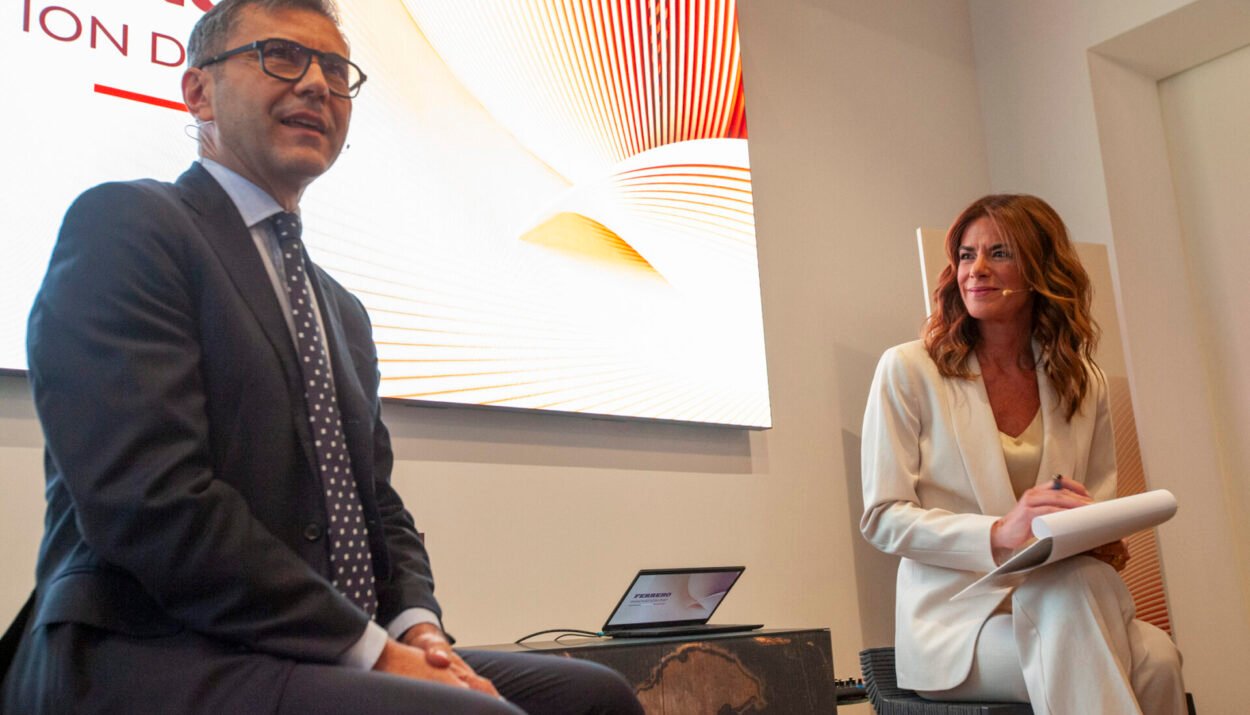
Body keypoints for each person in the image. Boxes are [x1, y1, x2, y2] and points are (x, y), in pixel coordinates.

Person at [0, 1, 642, 713]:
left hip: (306, 647)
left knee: (592, 696)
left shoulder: (340, 308)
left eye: (336, 70)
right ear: (198, 91)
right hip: (149, 644)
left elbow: (377, 505)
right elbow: (150, 500)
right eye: (280, 55)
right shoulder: (128, 225)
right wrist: (373, 651)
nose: (315, 84)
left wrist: (419, 632)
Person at [859, 194, 1186, 714]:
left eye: (1000, 253)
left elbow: (1095, 509)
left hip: (1066, 595)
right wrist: (999, 532)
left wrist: (1095, 529)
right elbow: (883, 519)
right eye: (966, 255)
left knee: (1160, 658)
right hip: (960, 625)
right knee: (1083, 641)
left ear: (1040, 270)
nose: (977, 270)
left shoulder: (1085, 382)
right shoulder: (908, 369)